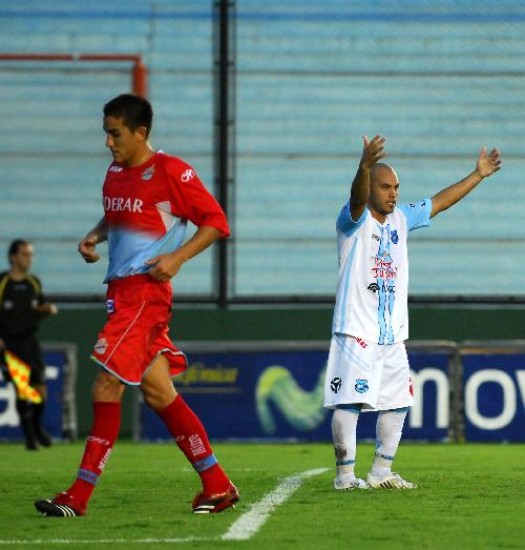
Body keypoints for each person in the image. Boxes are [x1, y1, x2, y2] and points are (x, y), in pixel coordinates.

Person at [34, 93, 239, 517]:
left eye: (115, 134)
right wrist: (95, 235)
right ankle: (217, 485)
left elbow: (216, 222)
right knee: (159, 393)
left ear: (140, 133)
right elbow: (117, 216)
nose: (109, 142)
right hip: (122, 296)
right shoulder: (114, 173)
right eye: (106, 133)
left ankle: (78, 496)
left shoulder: (171, 172)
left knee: (104, 386)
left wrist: (177, 258)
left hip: (145, 294)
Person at [324, 135, 501, 490]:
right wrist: (363, 165)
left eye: (396, 187)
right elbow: (357, 198)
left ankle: (380, 473)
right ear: (371, 188)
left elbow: (439, 202)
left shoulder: (401, 219)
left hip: (392, 335)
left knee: (399, 401)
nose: (393, 194)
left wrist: (477, 174)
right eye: (386, 187)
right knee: (352, 400)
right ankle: (345, 477)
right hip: (356, 329)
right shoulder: (353, 221)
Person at [0, 239, 58, 450]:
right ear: (13, 257)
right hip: (9, 344)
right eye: (25, 254)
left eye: (31, 254)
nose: (29, 258)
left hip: (30, 342)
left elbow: (37, 310)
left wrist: (46, 310)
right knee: (22, 389)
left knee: (40, 388)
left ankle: (36, 427)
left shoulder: (34, 282)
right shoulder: (3, 282)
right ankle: (30, 439)